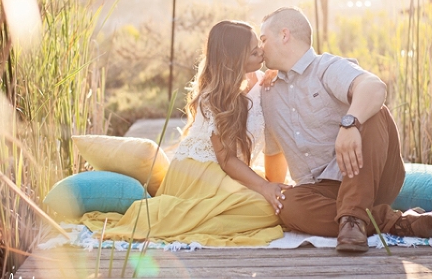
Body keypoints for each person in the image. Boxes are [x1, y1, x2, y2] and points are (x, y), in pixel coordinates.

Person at [80, 20, 290, 246]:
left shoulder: (261, 79)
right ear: (235, 60)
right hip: (199, 172)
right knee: (267, 210)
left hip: (226, 172)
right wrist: (264, 187)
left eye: (259, 45)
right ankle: (174, 218)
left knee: (277, 205)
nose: (261, 52)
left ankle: (220, 213)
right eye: (253, 51)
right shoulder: (215, 98)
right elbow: (226, 159)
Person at [259, 7, 432, 253]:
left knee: (375, 113)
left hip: (369, 175)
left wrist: (350, 123)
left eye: (263, 39)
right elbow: (274, 160)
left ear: (284, 35)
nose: (260, 48)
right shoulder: (267, 92)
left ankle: (355, 219)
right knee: (286, 205)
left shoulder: (327, 67)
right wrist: (273, 192)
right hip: (323, 191)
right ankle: (394, 221)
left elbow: (373, 86)